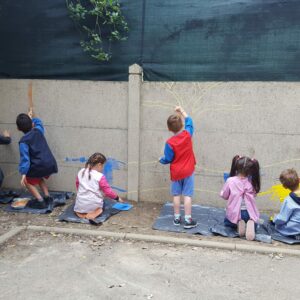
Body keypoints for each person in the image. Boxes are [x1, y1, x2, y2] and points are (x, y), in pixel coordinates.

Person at [159, 106, 197, 229]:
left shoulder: (169, 143)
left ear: (169, 128)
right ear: (182, 125)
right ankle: (187, 220)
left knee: (176, 195)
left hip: (176, 173)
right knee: (187, 195)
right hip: (188, 171)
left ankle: (176, 218)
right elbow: (190, 122)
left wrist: (161, 160)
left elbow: (168, 159)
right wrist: (182, 111)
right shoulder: (187, 134)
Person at [16, 109, 58, 209]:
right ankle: (48, 197)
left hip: (39, 165)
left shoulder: (23, 142)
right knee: (39, 177)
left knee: (27, 181)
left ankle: (40, 201)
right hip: (49, 163)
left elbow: (25, 159)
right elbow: (39, 122)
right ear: (32, 124)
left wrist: (23, 173)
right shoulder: (38, 130)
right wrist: (31, 118)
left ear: (18, 128)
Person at [220, 155, 260, 241]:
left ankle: (239, 223)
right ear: (250, 171)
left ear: (236, 167)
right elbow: (254, 194)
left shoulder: (230, 181)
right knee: (255, 221)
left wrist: (223, 193)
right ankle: (250, 222)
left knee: (228, 221)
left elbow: (225, 195)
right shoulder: (252, 181)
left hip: (235, 212)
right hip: (249, 213)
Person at [74, 152, 123, 222]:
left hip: (80, 205)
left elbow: (77, 185)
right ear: (99, 165)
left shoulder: (81, 172)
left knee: (79, 207)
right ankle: (93, 213)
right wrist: (117, 198)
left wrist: (82, 193)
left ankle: (82, 214)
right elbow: (108, 192)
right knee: (100, 208)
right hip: (93, 205)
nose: (103, 168)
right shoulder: (100, 176)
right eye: (103, 166)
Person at [273, 169, 300, 239]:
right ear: (299, 180)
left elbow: (282, 219)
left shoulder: (289, 200)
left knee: (277, 225)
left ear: (284, 187)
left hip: (295, 229)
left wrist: (275, 219)